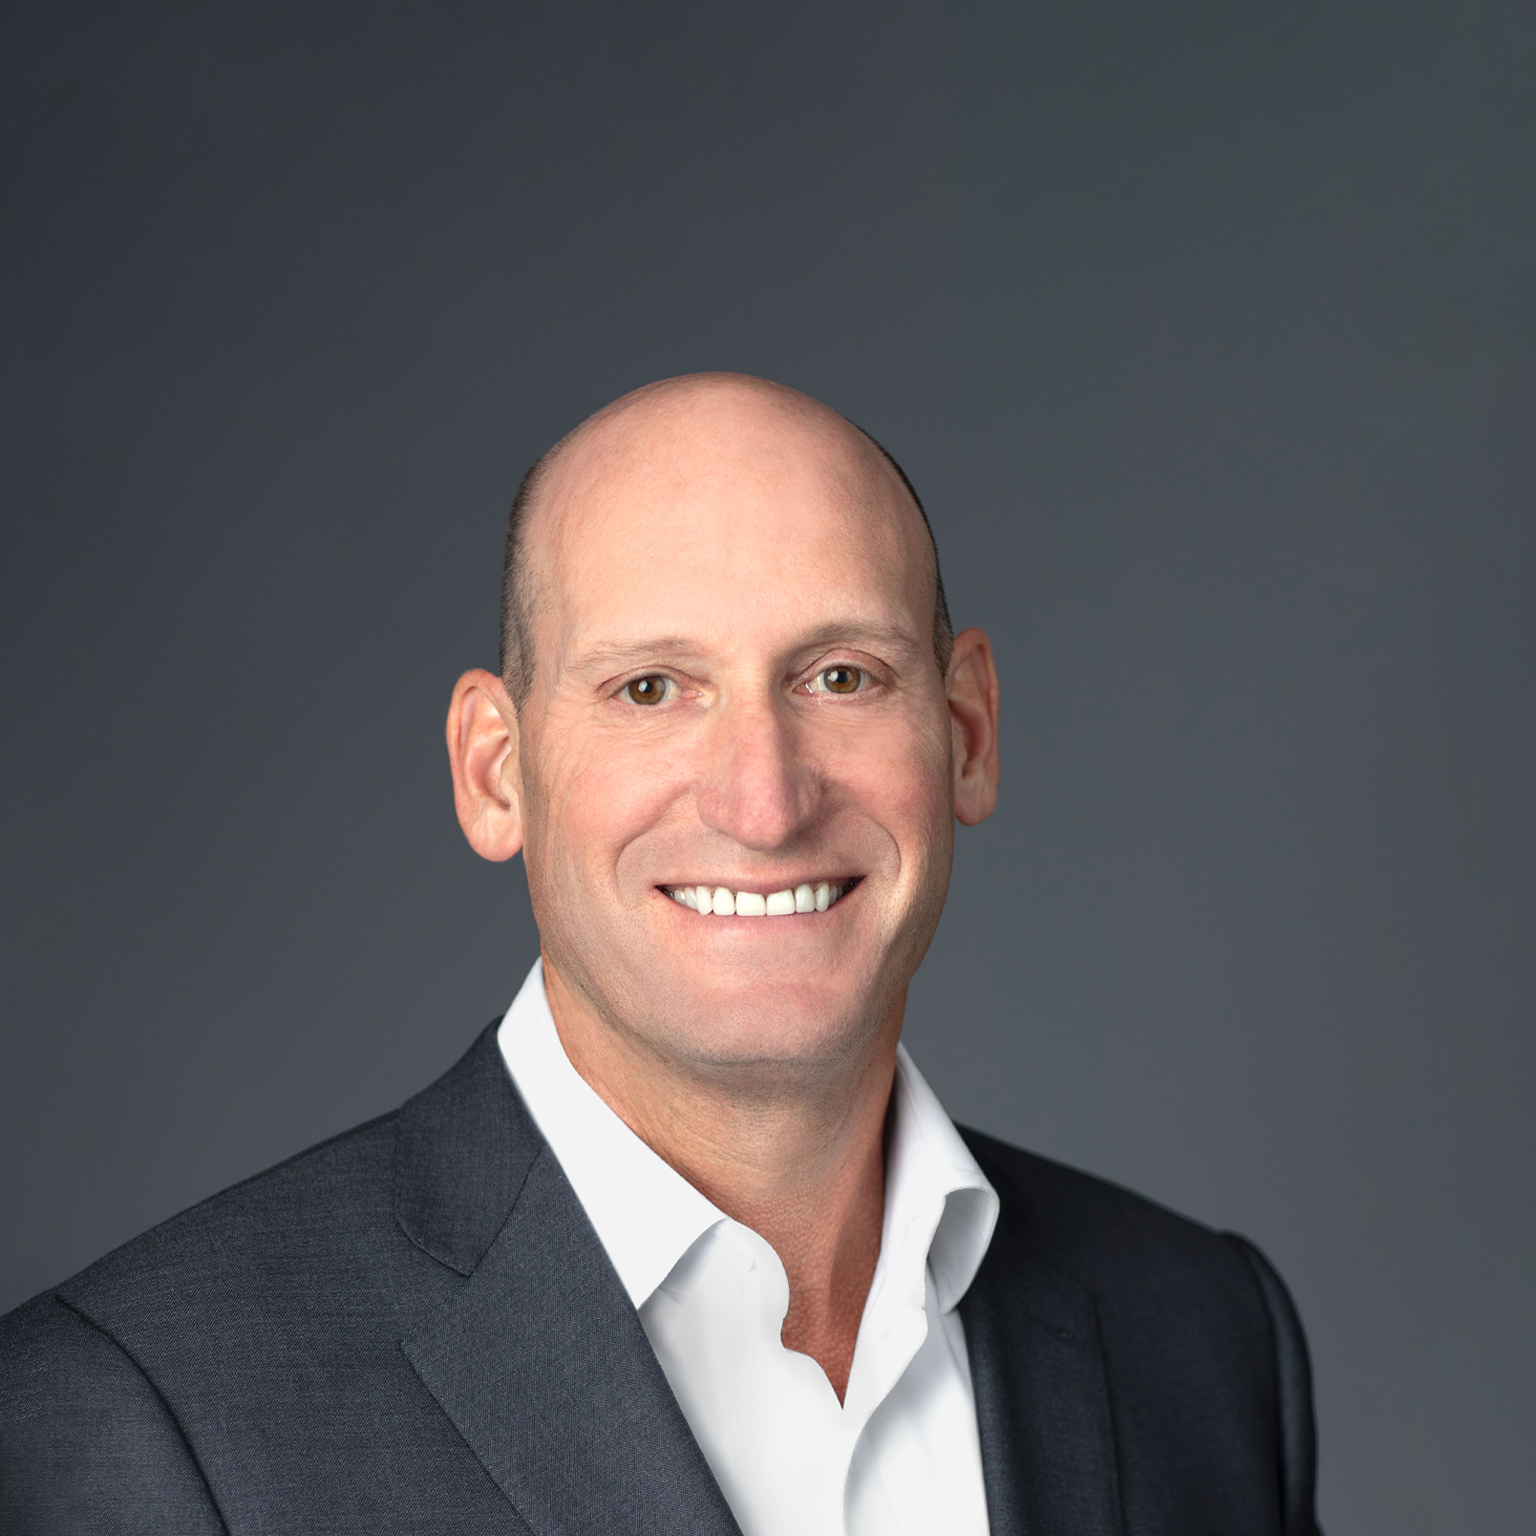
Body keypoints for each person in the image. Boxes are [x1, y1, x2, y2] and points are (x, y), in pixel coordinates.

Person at [0, 374, 1322, 1535]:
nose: (765, 800)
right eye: (650, 688)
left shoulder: (1199, 1338)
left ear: (967, 730)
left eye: (841, 676)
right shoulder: (142, 1415)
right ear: (493, 769)